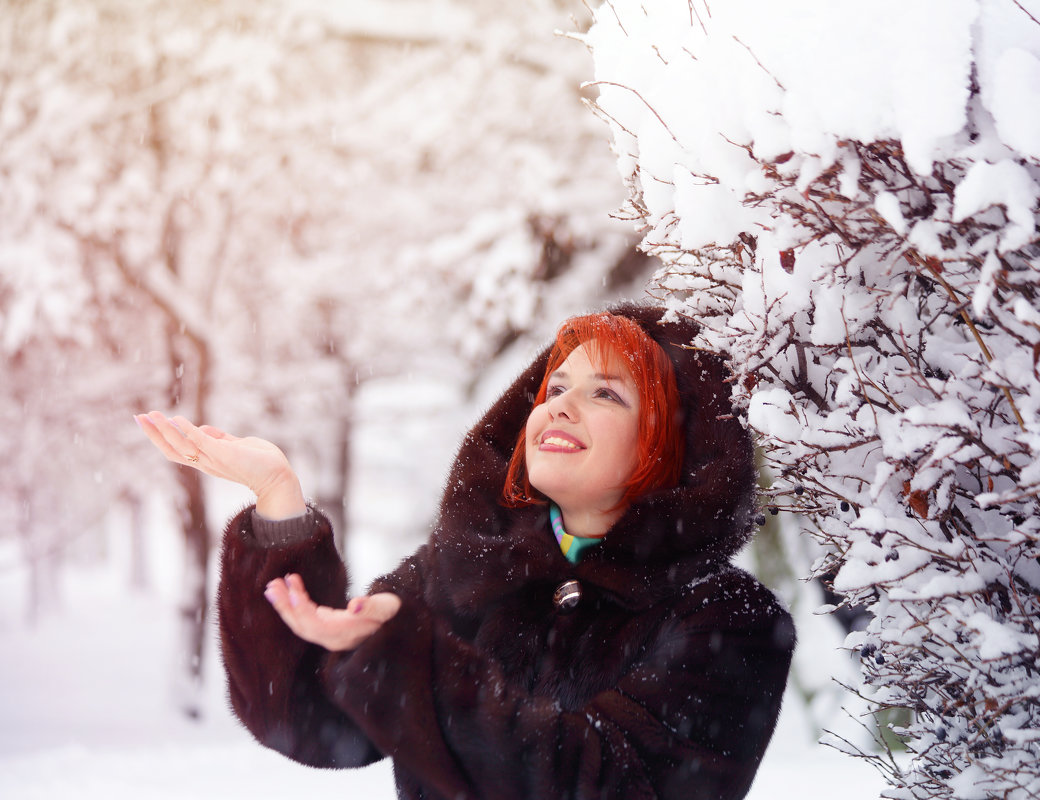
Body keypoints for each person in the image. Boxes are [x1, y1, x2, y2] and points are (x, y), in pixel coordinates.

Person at [136, 303, 795, 800]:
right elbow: (305, 718)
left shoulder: (727, 619)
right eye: (556, 389)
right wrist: (278, 503)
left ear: (668, 446)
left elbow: (612, 783)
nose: (561, 409)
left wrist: (404, 655)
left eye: (606, 394)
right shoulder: (465, 575)